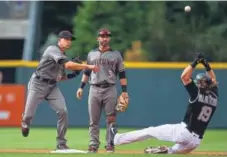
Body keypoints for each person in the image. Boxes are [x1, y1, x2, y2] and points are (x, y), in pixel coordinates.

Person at [109, 53, 218, 154]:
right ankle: (167, 150)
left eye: (198, 83)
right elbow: (213, 80)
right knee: (172, 150)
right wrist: (207, 66)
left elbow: (184, 77)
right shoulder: (215, 97)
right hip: (195, 142)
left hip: (184, 132)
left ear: (200, 85)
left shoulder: (197, 94)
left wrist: (195, 62)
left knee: (150, 131)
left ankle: (116, 139)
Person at [21, 30, 99, 150]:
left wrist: (75, 74)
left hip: (52, 87)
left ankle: (61, 143)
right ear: (59, 40)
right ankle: (25, 122)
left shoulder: (63, 57)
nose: (68, 42)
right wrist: (88, 66)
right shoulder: (52, 49)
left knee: (63, 111)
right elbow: (67, 65)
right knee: (28, 115)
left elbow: (61, 77)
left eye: (70, 40)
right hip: (37, 84)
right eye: (66, 39)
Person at [76, 28, 129, 153]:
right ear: (97, 38)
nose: (104, 38)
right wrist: (81, 87)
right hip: (94, 88)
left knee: (111, 119)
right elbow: (87, 72)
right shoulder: (91, 54)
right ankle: (93, 145)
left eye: (107, 36)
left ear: (109, 38)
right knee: (93, 120)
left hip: (110, 89)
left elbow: (122, 74)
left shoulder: (116, 55)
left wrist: (124, 91)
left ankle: (110, 144)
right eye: (102, 36)